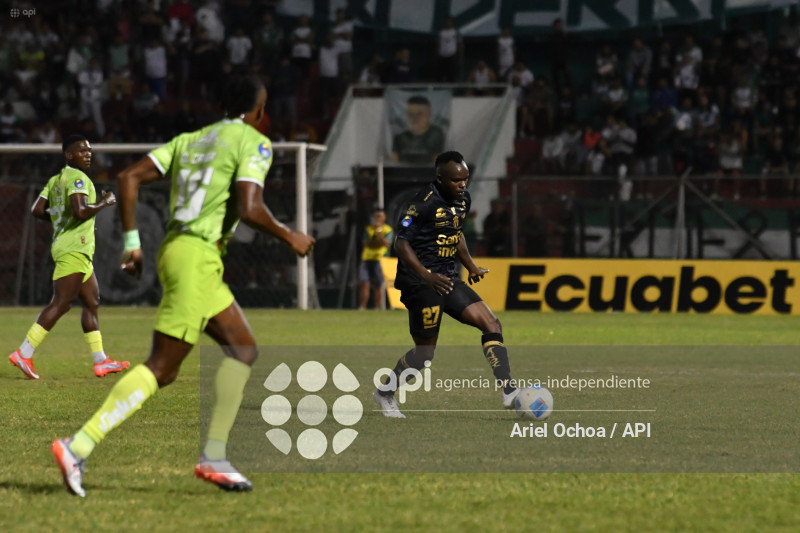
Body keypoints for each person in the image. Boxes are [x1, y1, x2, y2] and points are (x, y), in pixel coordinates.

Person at [51, 74, 315, 497]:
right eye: (263, 108)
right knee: (162, 367)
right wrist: (290, 235)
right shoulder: (254, 141)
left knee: (243, 348)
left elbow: (128, 177)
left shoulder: (190, 139)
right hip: (196, 256)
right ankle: (77, 445)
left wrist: (134, 244)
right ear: (259, 112)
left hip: (186, 254)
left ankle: (214, 457)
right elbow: (250, 206)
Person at [372, 151, 518, 418]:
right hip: (420, 284)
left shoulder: (463, 199)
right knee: (424, 355)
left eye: (465, 179)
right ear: (440, 179)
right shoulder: (421, 204)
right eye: (456, 180)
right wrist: (426, 276)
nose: (463, 185)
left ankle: (509, 390)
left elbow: (456, 232)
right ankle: (385, 393)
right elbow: (401, 244)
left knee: (492, 324)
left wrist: (470, 264)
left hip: (447, 278)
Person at [9, 135, 128, 380]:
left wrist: (63, 222)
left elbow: (37, 210)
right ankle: (24, 352)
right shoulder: (78, 177)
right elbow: (81, 210)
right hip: (74, 248)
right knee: (61, 302)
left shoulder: (55, 180)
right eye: (82, 151)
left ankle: (100, 361)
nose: (88, 154)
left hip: (76, 249)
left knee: (92, 301)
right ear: (69, 155)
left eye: (89, 150)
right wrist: (104, 202)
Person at [391, 95, 446, 165]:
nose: (415, 118)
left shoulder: (436, 134)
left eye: (419, 114)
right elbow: (394, 161)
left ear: (429, 114)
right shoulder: (399, 138)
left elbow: (437, 160)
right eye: (411, 114)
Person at [359, 208, 393, 310]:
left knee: (378, 284)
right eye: (376, 216)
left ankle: (377, 307)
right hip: (366, 258)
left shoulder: (388, 229)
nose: (377, 218)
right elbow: (365, 243)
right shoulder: (369, 229)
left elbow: (386, 244)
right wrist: (377, 242)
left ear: (384, 217)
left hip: (380, 259)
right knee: (364, 283)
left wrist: (379, 232)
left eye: (379, 216)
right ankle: (363, 306)